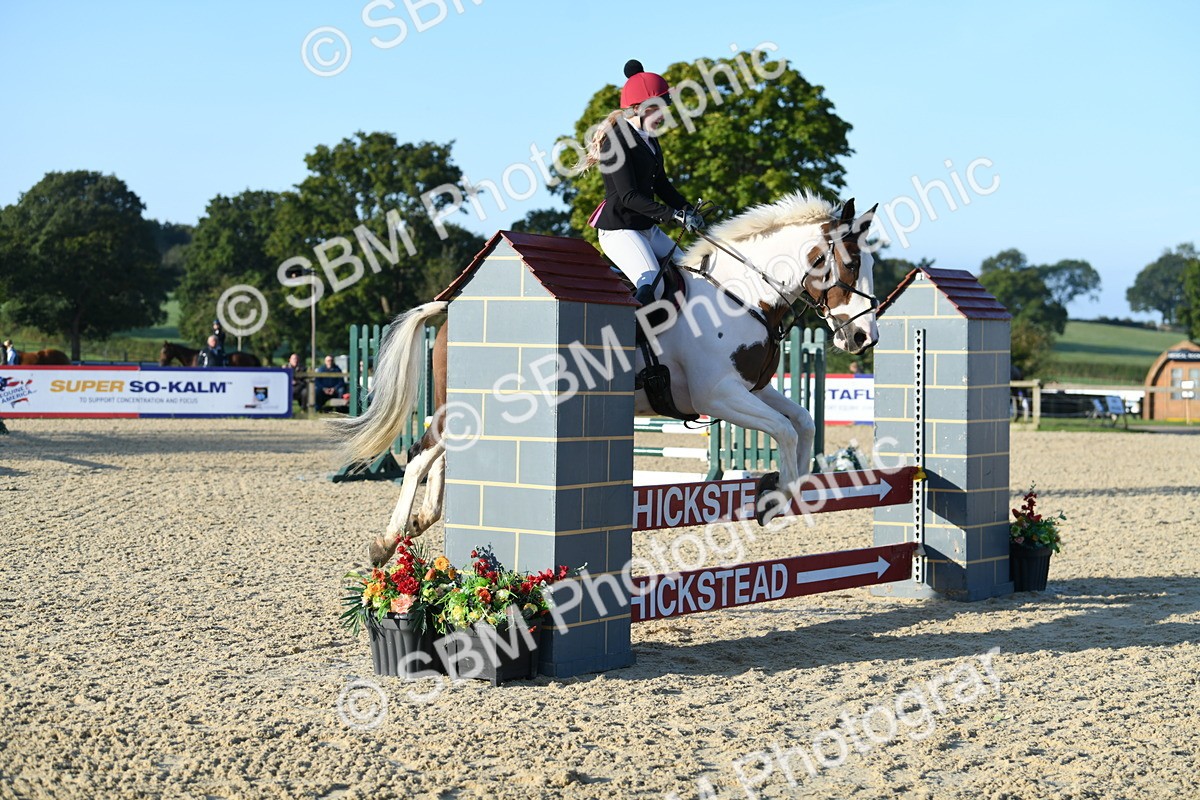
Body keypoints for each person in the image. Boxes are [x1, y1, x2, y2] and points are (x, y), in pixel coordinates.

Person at [587, 59, 705, 305]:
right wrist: (673, 215)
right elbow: (628, 196)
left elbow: (661, 184)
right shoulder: (616, 141)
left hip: (646, 228)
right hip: (620, 230)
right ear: (641, 108)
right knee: (654, 286)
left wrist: (687, 210)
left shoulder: (649, 139)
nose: (663, 115)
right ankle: (631, 330)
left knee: (692, 276)